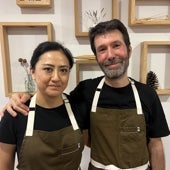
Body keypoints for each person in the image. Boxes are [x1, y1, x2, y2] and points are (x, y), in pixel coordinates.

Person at [1, 19, 170, 170]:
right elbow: (51, 98)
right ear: (97, 57)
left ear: (129, 50)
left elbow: (156, 146)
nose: (110, 55)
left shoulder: (147, 94)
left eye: (116, 45)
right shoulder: (85, 92)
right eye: (102, 49)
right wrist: (22, 96)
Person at [0, 41, 89, 170]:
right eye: (48, 69)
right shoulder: (15, 113)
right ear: (33, 72)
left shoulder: (78, 108)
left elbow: (91, 142)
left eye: (63, 70)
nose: (56, 77)